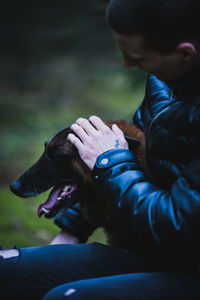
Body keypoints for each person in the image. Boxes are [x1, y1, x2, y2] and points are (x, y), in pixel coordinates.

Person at [1, 0, 200, 299]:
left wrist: (110, 163)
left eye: (136, 56)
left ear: (185, 53)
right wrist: (73, 228)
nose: (126, 64)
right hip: (150, 254)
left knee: (66, 296)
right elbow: (142, 153)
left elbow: (177, 225)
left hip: (188, 268)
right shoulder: (166, 79)